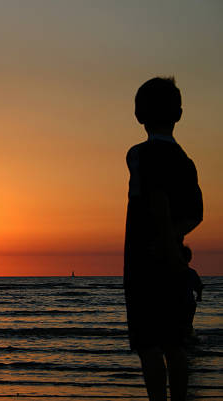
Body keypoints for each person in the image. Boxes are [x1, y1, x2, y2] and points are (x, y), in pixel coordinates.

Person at [123, 77, 203, 401]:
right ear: (179, 114)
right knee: (175, 344)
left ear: (138, 116)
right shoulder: (186, 163)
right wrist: (176, 239)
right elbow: (197, 213)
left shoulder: (138, 156)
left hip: (144, 265)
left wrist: (165, 242)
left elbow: (155, 203)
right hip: (174, 264)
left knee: (149, 347)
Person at [181, 245, 204, 339]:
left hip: (180, 303)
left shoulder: (171, 272)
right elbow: (198, 287)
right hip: (189, 303)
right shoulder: (192, 272)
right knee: (188, 324)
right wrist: (199, 296)